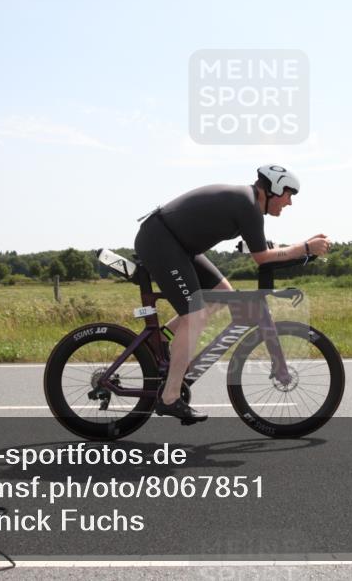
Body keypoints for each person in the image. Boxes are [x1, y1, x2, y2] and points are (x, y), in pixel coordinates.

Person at [133, 165, 331, 423]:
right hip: (161, 242)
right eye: (288, 195)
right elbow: (262, 258)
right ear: (275, 189)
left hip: (178, 245)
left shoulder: (248, 204)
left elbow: (260, 249)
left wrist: (303, 249)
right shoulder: (247, 205)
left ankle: (161, 339)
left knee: (221, 294)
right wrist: (304, 247)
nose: (289, 202)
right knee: (196, 315)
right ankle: (169, 398)